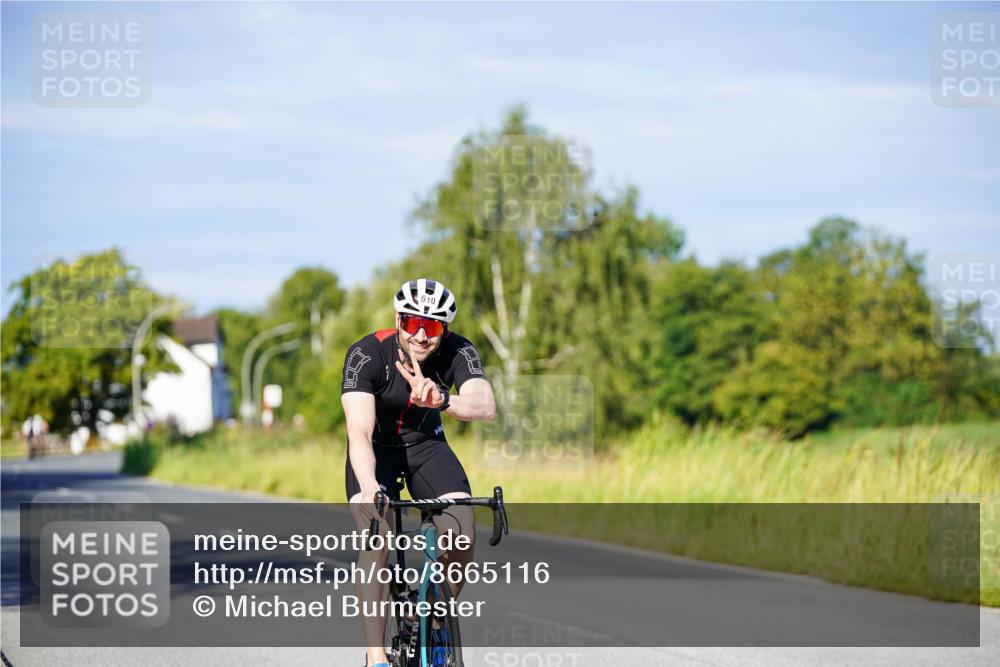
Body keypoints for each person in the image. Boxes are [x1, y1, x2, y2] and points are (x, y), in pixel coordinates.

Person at [341, 278, 496, 667]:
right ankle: (376, 658)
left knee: (462, 529)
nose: (422, 335)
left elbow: (484, 405)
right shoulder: (367, 354)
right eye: (413, 324)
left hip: (427, 445)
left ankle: (431, 612)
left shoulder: (459, 351)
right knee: (377, 537)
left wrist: (442, 399)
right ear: (398, 320)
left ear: (445, 330)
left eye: (434, 327)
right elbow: (358, 432)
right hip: (375, 450)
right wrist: (371, 487)